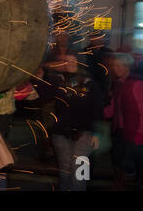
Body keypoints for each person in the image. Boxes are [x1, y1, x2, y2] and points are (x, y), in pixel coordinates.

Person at [47, 56, 102, 191]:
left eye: (73, 60)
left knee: (80, 173)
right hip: (61, 133)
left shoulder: (91, 84)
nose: (69, 63)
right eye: (65, 60)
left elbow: (97, 109)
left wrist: (97, 133)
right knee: (65, 171)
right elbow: (45, 99)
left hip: (84, 133)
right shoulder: (57, 81)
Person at [104, 53, 143, 190]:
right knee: (120, 165)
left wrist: (141, 133)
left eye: (119, 65)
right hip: (121, 131)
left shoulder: (137, 84)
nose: (115, 68)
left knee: (131, 169)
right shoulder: (119, 83)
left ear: (127, 67)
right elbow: (114, 107)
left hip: (134, 133)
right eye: (114, 65)